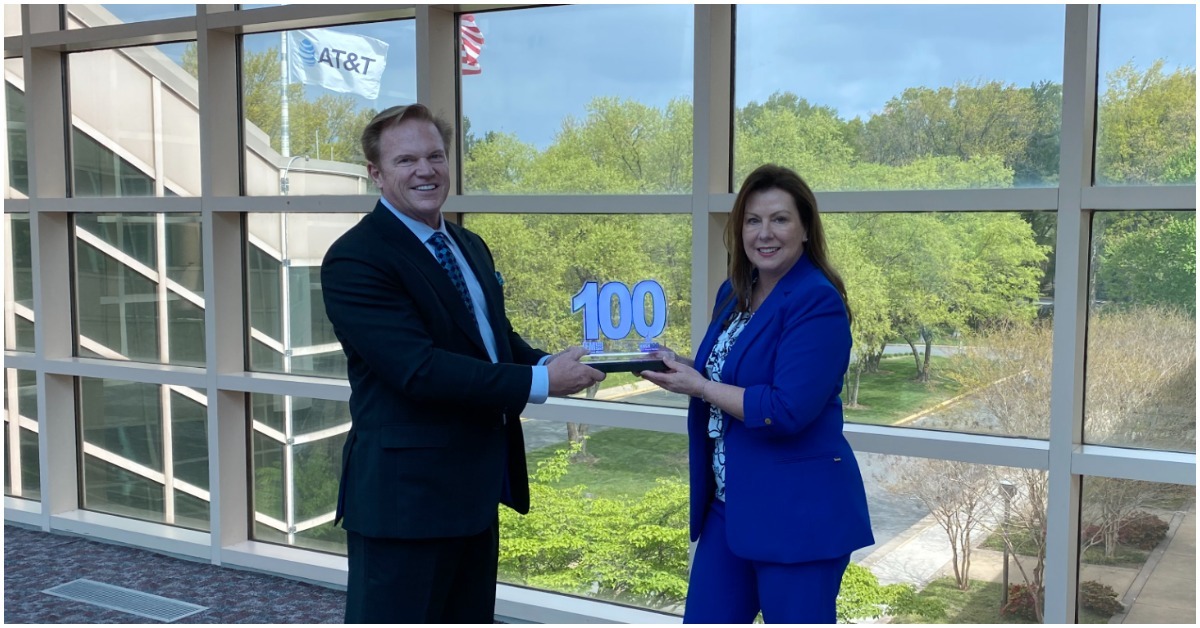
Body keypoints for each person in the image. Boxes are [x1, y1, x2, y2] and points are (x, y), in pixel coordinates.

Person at [321, 103, 605, 624]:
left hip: (473, 494)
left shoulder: (468, 245)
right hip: (405, 502)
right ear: (376, 174)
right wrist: (541, 380)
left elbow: (492, 341)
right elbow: (418, 370)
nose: (425, 170)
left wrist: (548, 360)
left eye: (435, 156)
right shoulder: (357, 258)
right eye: (406, 160)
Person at [640, 164, 874, 623]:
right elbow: (728, 374)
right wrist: (679, 366)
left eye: (779, 219)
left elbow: (786, 408)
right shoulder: (734, 293)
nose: (764, 233)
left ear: (805, 229)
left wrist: (701, 387)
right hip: (729, 508)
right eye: (752, 220)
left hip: (798, 517)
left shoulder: (817, 300)